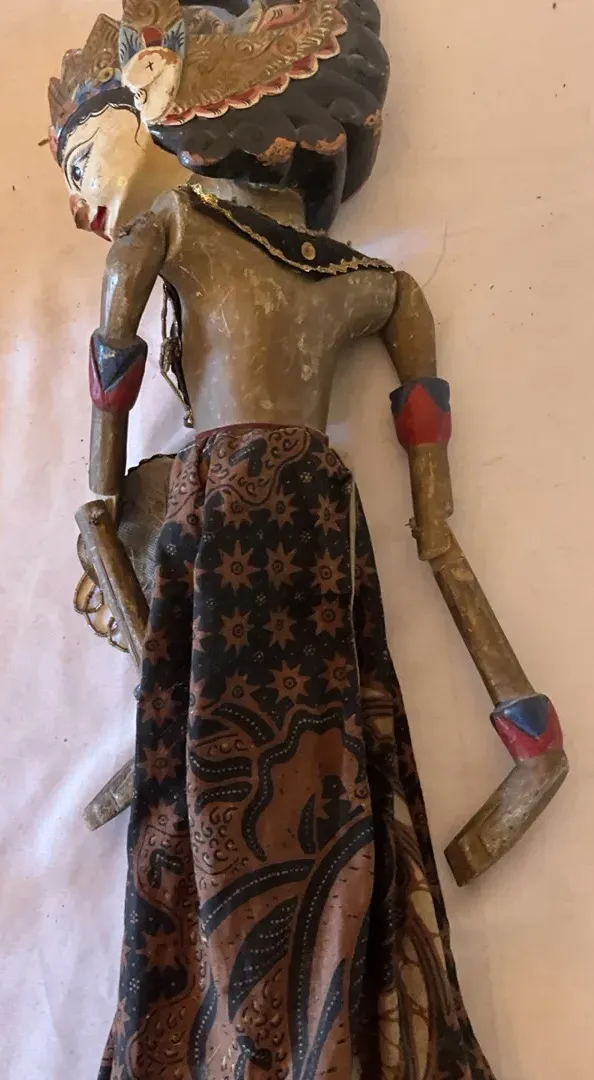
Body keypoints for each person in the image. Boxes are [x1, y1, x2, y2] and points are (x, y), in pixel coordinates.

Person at [48, 2, 505, 1077]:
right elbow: (97, 508)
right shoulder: (338, 277)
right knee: (277, 803)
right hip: (274, 518)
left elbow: (99, 498)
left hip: (277, 528)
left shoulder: (367, 286)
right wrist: (154, 682)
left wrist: (156, 683)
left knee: (319, 794)